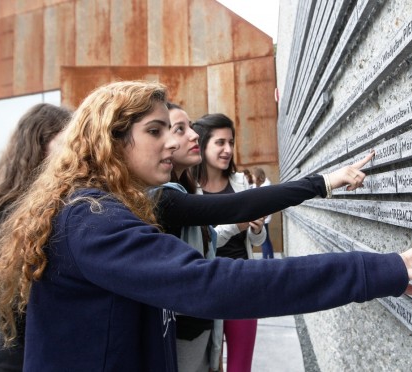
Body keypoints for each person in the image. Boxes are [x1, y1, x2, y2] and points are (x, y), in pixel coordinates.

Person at [0, 80, 412, 372]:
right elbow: (211, 282)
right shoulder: (91, 220)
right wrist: (376, 270)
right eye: (155, 130)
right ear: (110, 141)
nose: (172, 142)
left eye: (173, 128)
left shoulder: (103, 208)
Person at [156, 103, 375, 372]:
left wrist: (255, 229)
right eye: (180, 129)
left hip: (214, 306)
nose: (193, 136)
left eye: (191, 127)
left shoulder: (185, 191)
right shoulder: (165, 197)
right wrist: (324, 182)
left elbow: (233, 230)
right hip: (187, 323)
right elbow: (241, 207)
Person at [0, 103, 73, 372]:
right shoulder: (17, 207)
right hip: (24, 356)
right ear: (40, 143)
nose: (76, 150)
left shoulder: (34, 200)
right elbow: (18, 307)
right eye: (67, 141)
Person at [192, 114, 268, 371]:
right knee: (210, 365)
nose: (228, 150)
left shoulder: (241, 183)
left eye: (231, 142)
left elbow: (254, 239)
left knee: (240, 366)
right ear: (202, 145)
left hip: (243, 284)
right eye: (220, 142)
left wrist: (257, 228)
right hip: (206, 288)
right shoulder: (190, 191)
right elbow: (205, 240)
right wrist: (238, 224)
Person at [253, 167, 274, 259]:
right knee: (267, 240)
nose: (252, 177)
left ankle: (265, 260)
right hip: (264, 217)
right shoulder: (262, 186)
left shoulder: (263, 189)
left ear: (257, 176)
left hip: (263, 218)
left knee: (263, 241)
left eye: (253, 175)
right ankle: (271, 259)